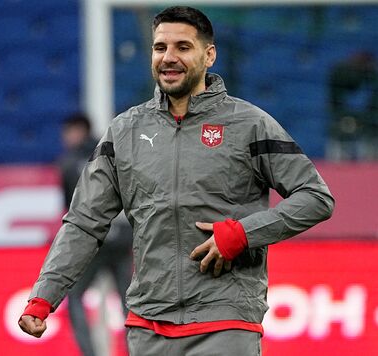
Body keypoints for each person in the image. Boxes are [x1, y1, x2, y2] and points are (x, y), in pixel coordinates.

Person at [19, 6, 334, 355]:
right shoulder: (124, 131)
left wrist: (243, 234)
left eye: (182, 47)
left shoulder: (250, 124)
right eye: (160, 48)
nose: (168, 58)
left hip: (224, 321)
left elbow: (316, 197)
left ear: (208, 54)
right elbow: (83, 222)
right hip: (148, 324)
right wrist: (43, 296)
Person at [58, 113, 132, 356]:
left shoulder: (70, 163)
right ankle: (138, 350)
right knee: (130, 301)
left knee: (75, 294)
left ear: (77, 130)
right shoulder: (116, 153)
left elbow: (71, 211)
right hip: (123, 239)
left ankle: (89, 353)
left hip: (94, 241)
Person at [326, 51, 378, 161]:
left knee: (370, 142)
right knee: (340, 133)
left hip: (368, 124)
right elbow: (334, 103)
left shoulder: (372, 79)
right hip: (343, 119)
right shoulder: (340, 75)